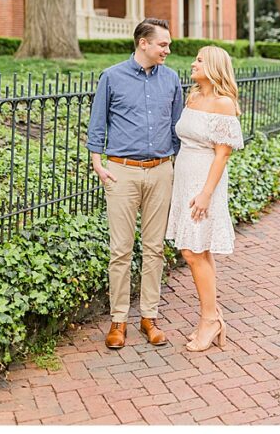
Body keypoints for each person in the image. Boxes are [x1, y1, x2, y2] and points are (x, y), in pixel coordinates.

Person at [87, 18, 183, 350]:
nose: (168, 50)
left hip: (160, 171)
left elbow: (177, 128)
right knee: (121, 251)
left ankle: (149, 317)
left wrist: (174, 166)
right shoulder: (112, 77)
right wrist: (97, 162)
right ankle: (117, 321)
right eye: (163, 44)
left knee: (155, 248)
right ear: (143, 43)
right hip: (121, 172)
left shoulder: (171, 80)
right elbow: (98, 121)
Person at [166, 45, 243, 352]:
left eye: (199, 60)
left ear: (213, 66)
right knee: (199, 250)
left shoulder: (224, 104)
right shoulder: (194, 96)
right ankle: (214, 317)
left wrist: (206, 194)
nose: (193, 63)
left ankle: (209, 320)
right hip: (185, 177)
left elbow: (223, 154)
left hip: (204, 182)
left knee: (192, 251)